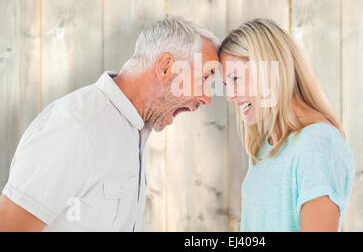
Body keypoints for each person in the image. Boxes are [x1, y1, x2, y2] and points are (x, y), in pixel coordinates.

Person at [0, 14, 220, 231]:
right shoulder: (77, 128)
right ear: (165, 67)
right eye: (205, 77)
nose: (206, 98)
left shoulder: (133, 130)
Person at [219, 18, 354, 232]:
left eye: (235, 78)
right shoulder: (265, 147)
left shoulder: (318, 143)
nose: (229, 95)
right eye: (227, 84)